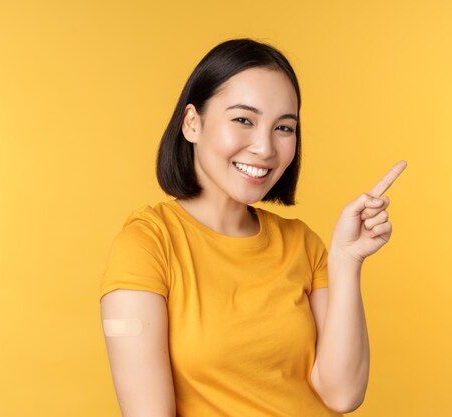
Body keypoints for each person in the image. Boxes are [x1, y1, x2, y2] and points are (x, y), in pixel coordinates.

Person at [99, 38, 407, 417]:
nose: (265, 147)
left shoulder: (301, 243)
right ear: (192, 123)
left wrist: (347, 259)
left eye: (284, 128)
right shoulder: (147, 244)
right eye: (244, 119)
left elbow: (342, 394)